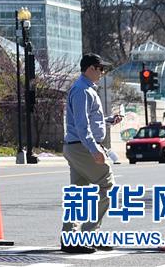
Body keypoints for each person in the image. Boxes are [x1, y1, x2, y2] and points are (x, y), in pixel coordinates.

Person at [60, 53, 122, 254]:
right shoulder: (81, 91)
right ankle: (89, 234)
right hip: (83, 147)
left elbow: (88, 120)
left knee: (79, 193)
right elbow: (81, 124)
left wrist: (107, 120)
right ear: (91, 69)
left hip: (77, 146)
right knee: (108, 185)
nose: (102, 73)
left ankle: (71, 238)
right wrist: (94, 149)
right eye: (100, 68)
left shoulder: (84, 89)